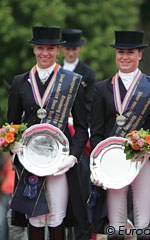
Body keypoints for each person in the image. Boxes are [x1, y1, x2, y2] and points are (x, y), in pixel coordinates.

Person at [89, 30, 150, 240]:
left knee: (144, 227)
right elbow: (97, 132)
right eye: (120, 52)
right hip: (113, 165)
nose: (125, 57)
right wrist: (99, 163)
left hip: (142, 163)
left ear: (140, 55)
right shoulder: (101, 89)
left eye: (130, 52)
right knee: (115, 228)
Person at [7, 26, 88, 240]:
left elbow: (81, 126)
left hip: (60, 161)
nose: (45, 53)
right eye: (40, 48)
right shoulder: (20, 82)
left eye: (50, 48)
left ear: (58, 51)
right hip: (30, 160)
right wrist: (13, 146)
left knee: (56, 217)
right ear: (34, 50)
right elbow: (12, 123)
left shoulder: (72, 81)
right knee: (34, 217)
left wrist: (73, 156)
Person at [60, 28, 96, 240]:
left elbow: (89, 102)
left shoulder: (87, 72)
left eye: (74, 48)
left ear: (79, 48)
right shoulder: (56, 70)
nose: (70, 52)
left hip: (80, 125)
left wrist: (75, 122)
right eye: (67, 48)